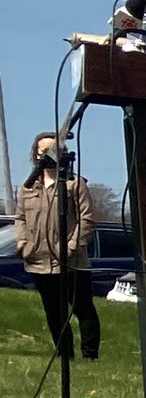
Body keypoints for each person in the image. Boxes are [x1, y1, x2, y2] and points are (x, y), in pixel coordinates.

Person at [17, 133, 99, 362]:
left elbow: (86, 219)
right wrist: (23, 244)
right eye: (44, 153)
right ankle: (65, 354)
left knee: (83, 308)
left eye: (54, 152)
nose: (48, 157)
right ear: (36, 154)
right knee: (54, 312)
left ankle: (90, 356)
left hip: (72, 261)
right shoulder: (28, 187)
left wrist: (72, 246)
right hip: (39, 261)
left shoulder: (74, 184)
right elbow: (20, 218)